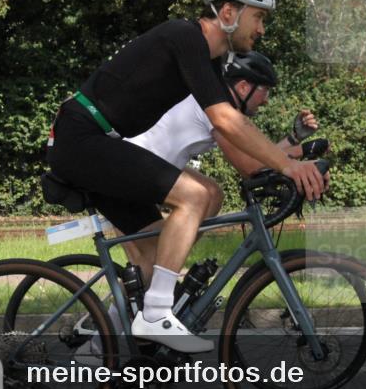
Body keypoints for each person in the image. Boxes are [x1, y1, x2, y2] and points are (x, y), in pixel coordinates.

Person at [47, 0, 327, 354]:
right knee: (195, 195)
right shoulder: (184, 37)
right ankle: (157, 312)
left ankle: (96, 360)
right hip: (83, 139)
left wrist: (287, 155)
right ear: (228, 13)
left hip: (99, 142)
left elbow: (234, 126)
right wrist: (289, 164)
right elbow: (226, 120)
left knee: (153, 252)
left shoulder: (209, 61)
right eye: (258, 17)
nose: (261, 30)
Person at [120, 49, 321, 276]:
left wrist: (293, 139)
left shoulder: (218, 102)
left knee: (213, 193)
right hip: (128, 168)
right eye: (265, 91)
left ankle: (170, 264)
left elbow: (260, 157)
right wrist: (303, 151)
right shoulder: (217, 109)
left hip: (146, 167)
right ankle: (147, 298)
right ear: (244, 87)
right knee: (152, 263)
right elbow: (250, 168)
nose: (266, 100)